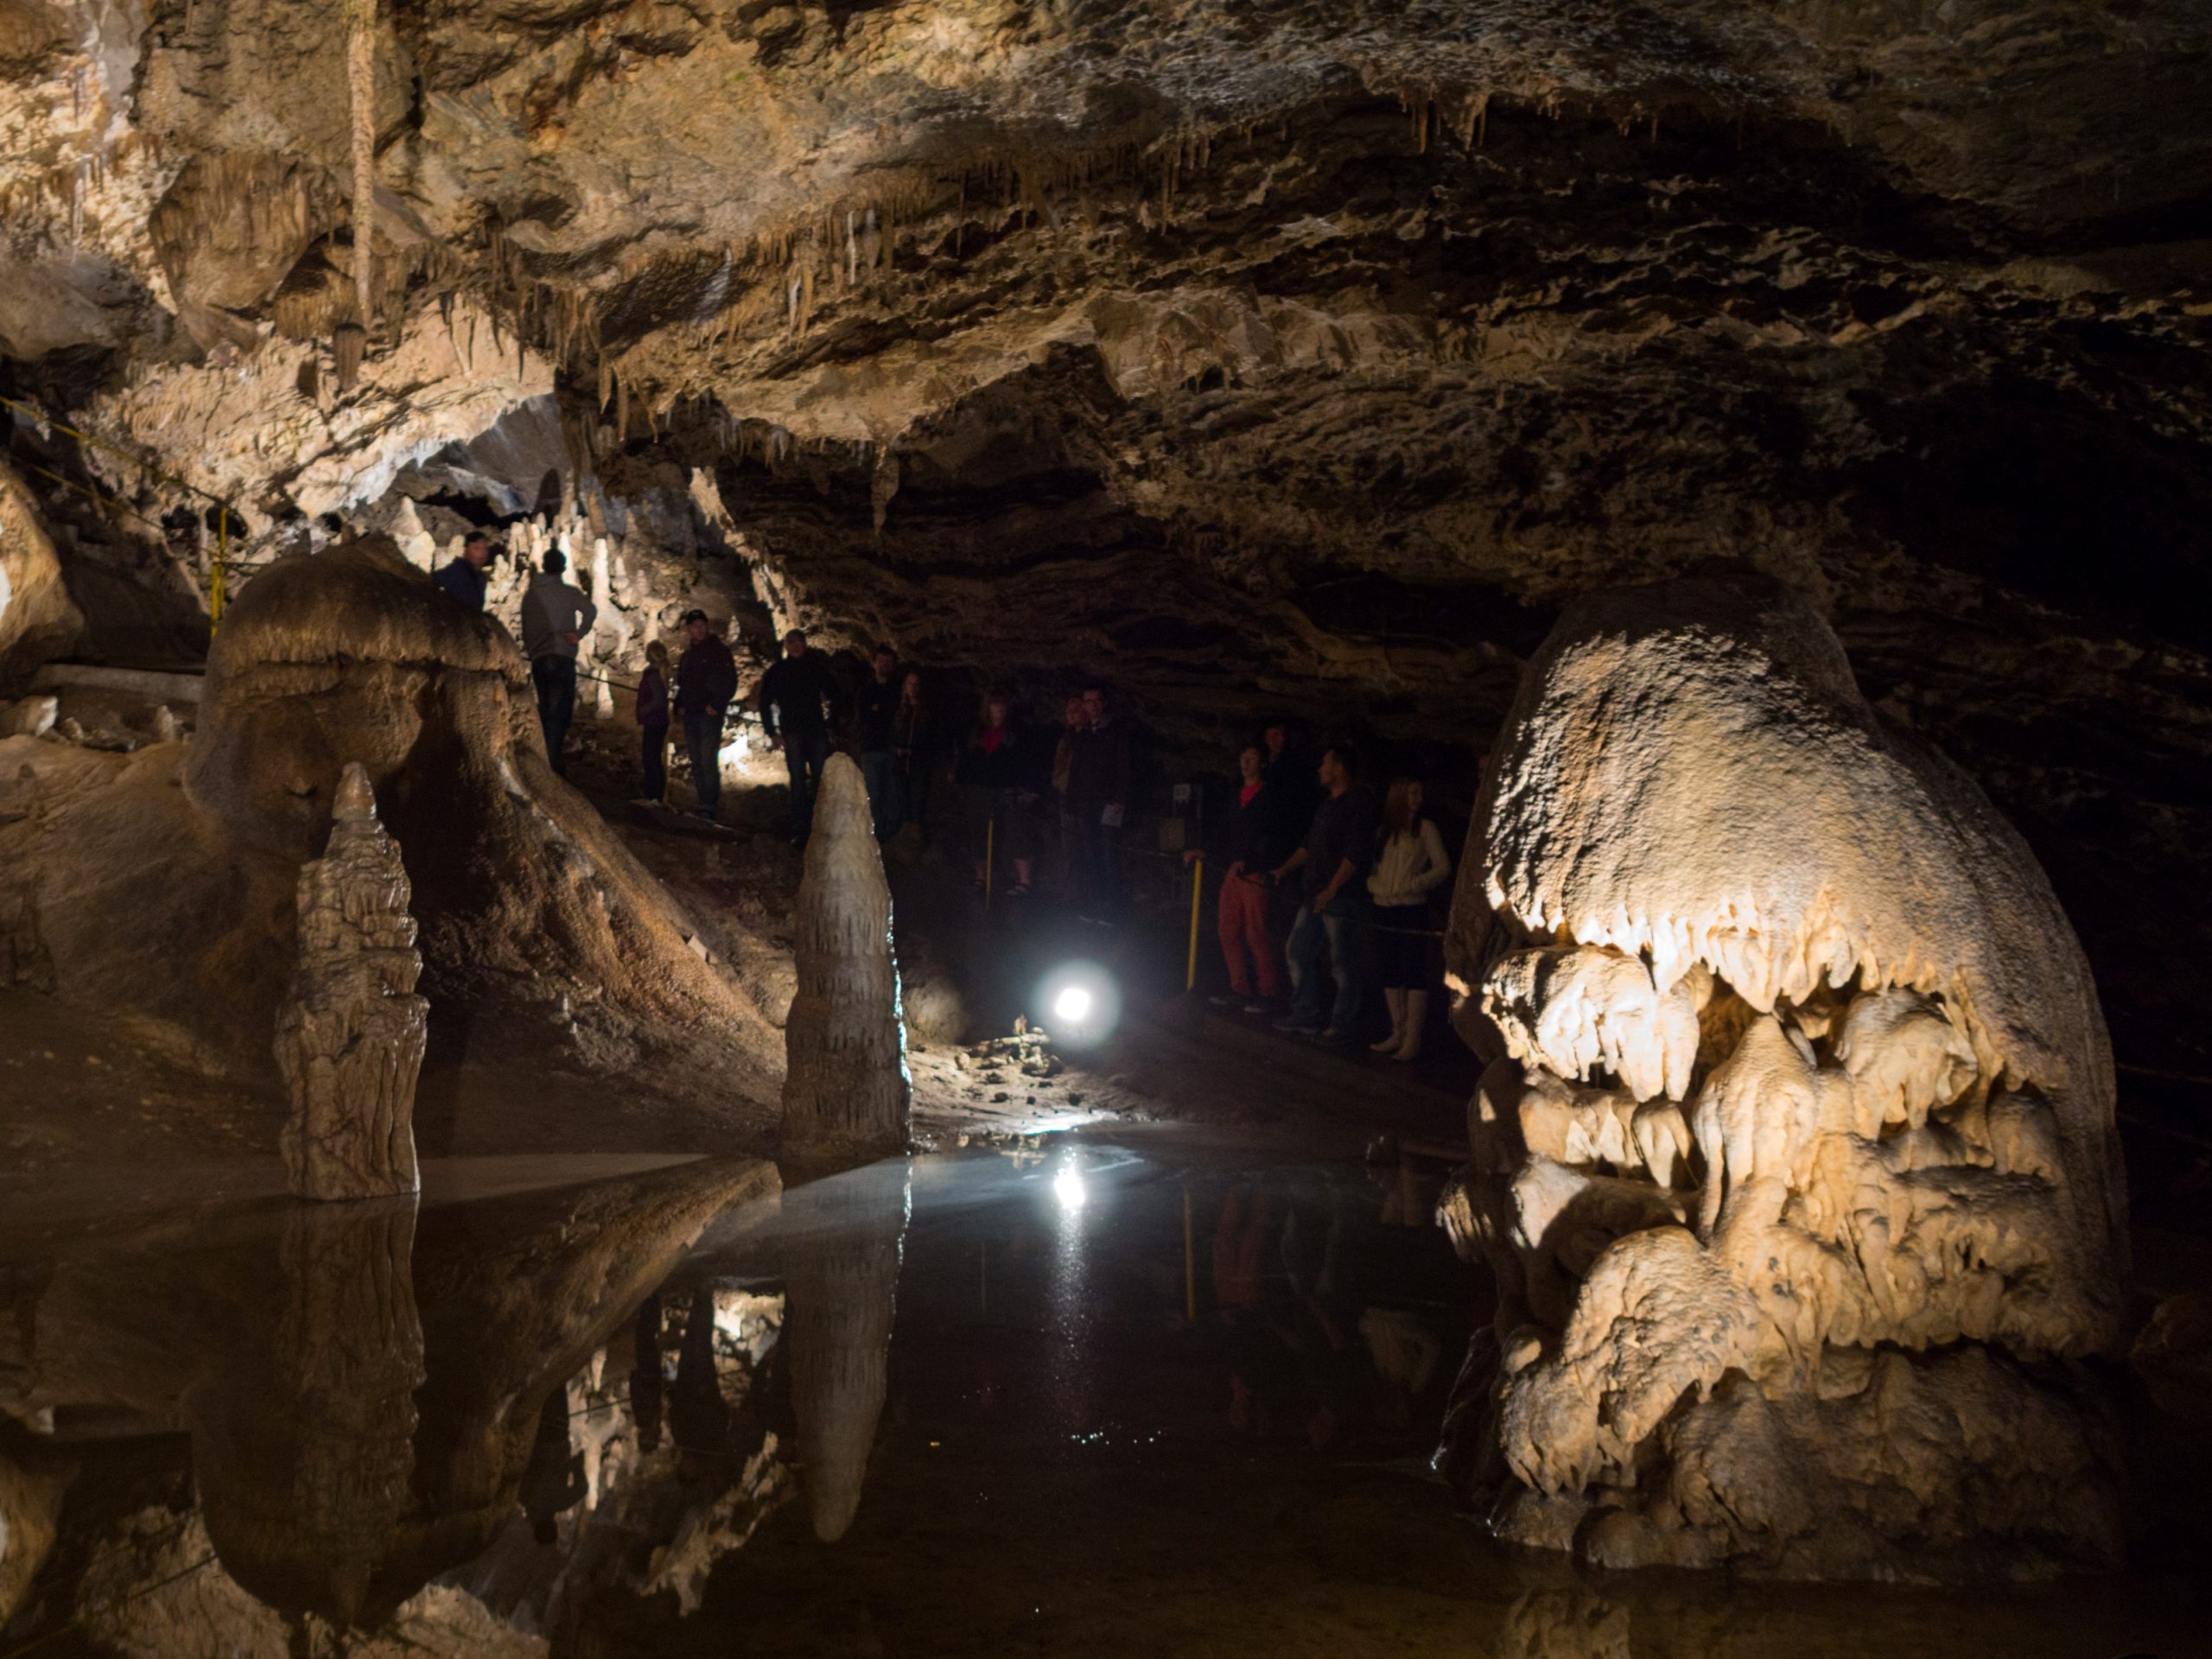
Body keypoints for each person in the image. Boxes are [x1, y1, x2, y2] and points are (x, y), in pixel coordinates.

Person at [1267, 744, 1376, 1045]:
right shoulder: (1327, 806)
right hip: (1315, 895)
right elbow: (1309, 846)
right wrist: (1284, 869)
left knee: (1343, 963)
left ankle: (1342, 1025)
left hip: (1341, 897)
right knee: (1297, 951)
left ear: (1339, 768)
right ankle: (1306, 1013)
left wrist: (1333, 888)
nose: (1319, 769)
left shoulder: (1359, 802)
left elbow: (1355, 852)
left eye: (1325, 764)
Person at [1185, 742, 1288, 1010]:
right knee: (1227, 930)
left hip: (1254, 873)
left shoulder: (1269, 797)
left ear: (1261, 763)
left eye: (1252, 757)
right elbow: (1224, 830)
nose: (1246, 762)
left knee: (1256, 933)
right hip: (1234, 871)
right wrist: (1206, 850)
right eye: (1243, 756)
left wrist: (1254, 861)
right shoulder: (1236, 795)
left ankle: (1268, 992)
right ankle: (1239, 988)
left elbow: (1272, 836)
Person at [1366, 777, 1452, 1060]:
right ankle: (1398, 1031)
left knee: (1414, 970)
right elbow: (1374, 868)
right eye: (1413, 793)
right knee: (1389, 968)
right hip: (1384, 907)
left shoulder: (1425, 829)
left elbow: (1442, 867)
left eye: (1420, 793)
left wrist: (1415, 884)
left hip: (1412, 908)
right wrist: (1375, 886)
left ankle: (1413, 1038)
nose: (1418, 799)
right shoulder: (1383, 832)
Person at [757, 628, 842, 844]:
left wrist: (832, 723)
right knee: (797, 780)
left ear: (804, 644)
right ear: (786, 646)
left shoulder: (815, 668)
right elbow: (764, 702)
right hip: (792, 732)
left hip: (815, 730)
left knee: (820, 778)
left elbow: (834, 693)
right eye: (791, 642)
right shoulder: (778, 671)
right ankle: (801, 829)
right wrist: (772, 732)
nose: (795, 646)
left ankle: (823, 824)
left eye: (798, 642)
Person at [519, 547, 597, 776]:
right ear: (563, 568)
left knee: (545, 708)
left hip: (539, 658)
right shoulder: (569, 593)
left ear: (544, 567)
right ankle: (551, 763)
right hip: (562, 657)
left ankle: (544, 756)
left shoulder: (531, 595)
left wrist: (533, 650)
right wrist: (579, 633)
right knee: (560, 711)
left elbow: (526, 627)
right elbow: (591, 611)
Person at [958, 690, 1035, 896]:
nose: (999, 708)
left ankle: (1024, 880)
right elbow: (969, 760)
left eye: (1002, 704)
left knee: (1016, 831)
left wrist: (1023, 786)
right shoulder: (978, 732)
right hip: (982, 789)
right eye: (994, 704)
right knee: (979, 833)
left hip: (1008, 789)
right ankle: (982, 877)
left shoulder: (1015, 732)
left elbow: (1022, 760)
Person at [1066, 685, 1131, 918]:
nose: (1093, 705)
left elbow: (1123, 766)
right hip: (1086, 802)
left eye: (1096, 701)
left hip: (1108, 802)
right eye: (1088, 701)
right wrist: (1072, 800)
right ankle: (1098, 900)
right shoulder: (1084, 734)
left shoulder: (1116, 731)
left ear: (1103, 703)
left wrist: (1119, 798)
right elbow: (1076, 769)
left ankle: (1113, 904)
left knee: (1109, 852)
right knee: (1091, 852)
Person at [674, 608, 737, 822]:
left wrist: (717, 704)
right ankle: (703, 802)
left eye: (702, 625)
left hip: (709, 714)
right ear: (689, 630)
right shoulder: (687, 656)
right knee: (696, 760)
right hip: (691, 713)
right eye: (695, 626)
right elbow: (681, 683)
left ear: (707, 626)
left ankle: (709, 805)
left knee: (707, 759)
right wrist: (679, 704)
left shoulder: (719, 651)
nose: (699, 630)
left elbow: (730, 681)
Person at [855, 644, 901, 839]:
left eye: (888, 662)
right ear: (874, 663)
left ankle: (891, 834)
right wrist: (880, 712)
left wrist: (877, 711)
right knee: (874, 794)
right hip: (871, 748)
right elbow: (864, 718)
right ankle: (875, 834)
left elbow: (893, 716)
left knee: (892, 793)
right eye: (881, 661)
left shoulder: (898, 690)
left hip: (892, 748)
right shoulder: (866, 691)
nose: (884, 665)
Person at [1052, 693, 1089, 890]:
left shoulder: (1092, 737)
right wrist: (1063, 786)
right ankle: (1073, 891)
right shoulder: (1067, 739)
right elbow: (1059, 768)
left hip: (1089, 798)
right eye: (1069, 711)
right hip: (1068, 796)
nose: (1072, 714)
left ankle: (1089, 890)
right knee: (1071, 847)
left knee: (1090, 846)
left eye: (1076, 710)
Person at [892, 669, 932, 843]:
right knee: (903, 803)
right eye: (910, 683)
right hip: (901, 765)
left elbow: (932, 738)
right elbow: (891, 734)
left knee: (918, 803)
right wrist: (895, 749)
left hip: (919, 765)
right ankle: (906, 839)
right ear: (905, 686)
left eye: (916, 684)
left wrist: (915, 751)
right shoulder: (900, 710)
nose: (913, 687)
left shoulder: (927, 711)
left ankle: (917, 838)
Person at [635, 639, 671, 804]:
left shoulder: (653, 675)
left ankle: (654, 796)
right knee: (653, 757)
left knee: (650, 758)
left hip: (654, 720)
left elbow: (659, 700)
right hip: (658, 720)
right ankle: (655, 795)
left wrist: (643, 710)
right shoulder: (658, 673)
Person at [432, 530, 496, 611]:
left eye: (485, 548)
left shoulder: (481, 576)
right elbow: (434, 581)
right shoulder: (456, 571)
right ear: (466, 550)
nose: (482, 553)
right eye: (476, 548)